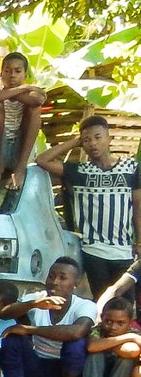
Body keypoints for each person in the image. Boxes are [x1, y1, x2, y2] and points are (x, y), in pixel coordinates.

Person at [37, 116, 141, 298]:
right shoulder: (79, 171)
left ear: (109, 138)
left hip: (124, 251)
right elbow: (42, 160)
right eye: (86, 140)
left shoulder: (131, 168)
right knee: (101, 302)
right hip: (93, 251)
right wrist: (74, 142)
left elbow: (138, 206)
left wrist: (139, 241)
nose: (92, 143)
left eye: (98, 137)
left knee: (124, 304)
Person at [0, 257, 94, 377]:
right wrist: (33, 304)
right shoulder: (38, 299)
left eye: (62, 278)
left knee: (76, 345)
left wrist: (30, 330)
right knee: (11, 337)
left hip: (67, 375)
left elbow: (77, 332)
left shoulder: (85, 306)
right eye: (51, 276)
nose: (55, 282)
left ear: (76, 284)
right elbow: (4, 313)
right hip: (35, 370)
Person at [0, 52, 46, 190]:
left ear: (25, 75)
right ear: (1, 74)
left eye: (18, 71)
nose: (12, 75)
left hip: (21, 151)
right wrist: (23, 88)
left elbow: (37, 100)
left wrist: (11, 92)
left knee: (34, 108)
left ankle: (20, 169)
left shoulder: (32, 93)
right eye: (7, 71)